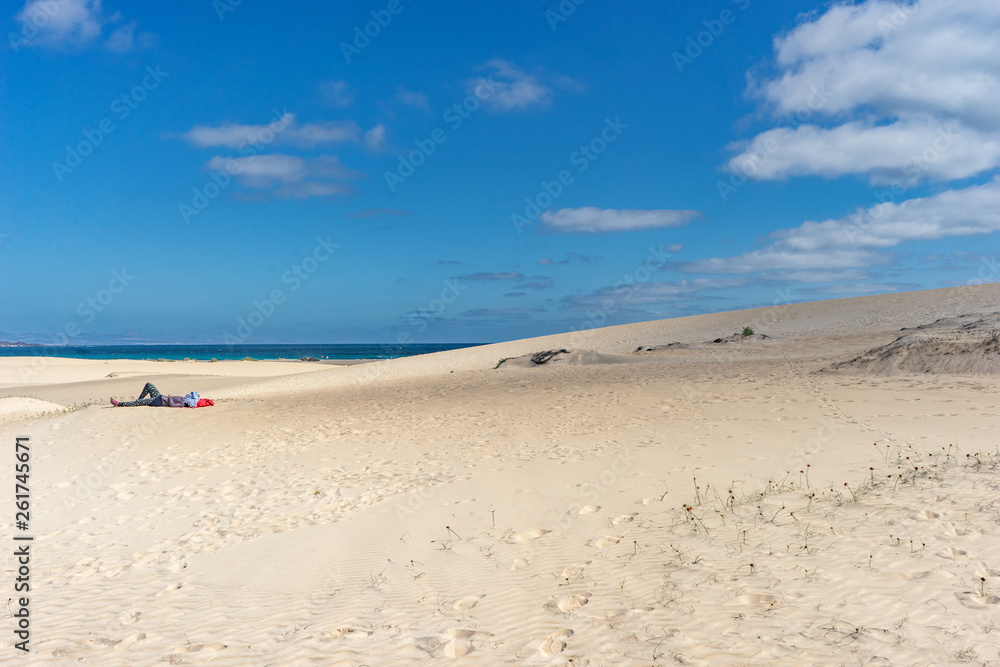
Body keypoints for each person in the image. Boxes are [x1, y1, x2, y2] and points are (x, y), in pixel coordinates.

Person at [111, 382, 213, 408]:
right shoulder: (185, 399)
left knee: (140, 403)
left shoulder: (184, 404)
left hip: (158, 402)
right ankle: (139, 399)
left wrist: (170, 398)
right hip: (160, 397)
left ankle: (119, 404)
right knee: (149, 385)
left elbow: (172, 405)